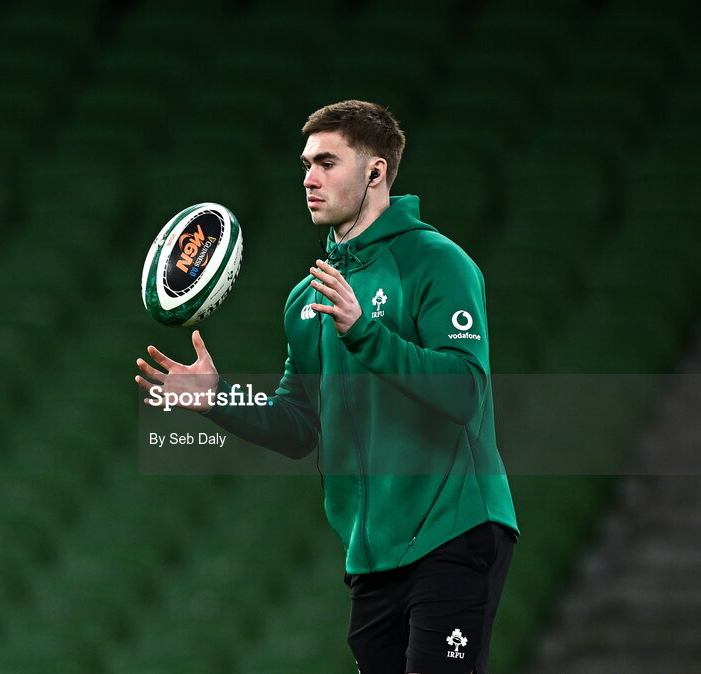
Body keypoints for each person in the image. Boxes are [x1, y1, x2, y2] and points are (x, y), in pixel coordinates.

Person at [135, 100, 519, 674]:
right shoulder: (306, 299)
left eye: (327, 162)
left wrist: (365, 333)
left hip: (454, 530)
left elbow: (467, 392)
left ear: (376, 171)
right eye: (306, 164)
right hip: (371, 553)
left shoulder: (437, 264)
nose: (309, 179)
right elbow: (298, 427)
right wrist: (217, 400)